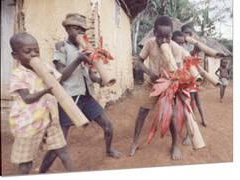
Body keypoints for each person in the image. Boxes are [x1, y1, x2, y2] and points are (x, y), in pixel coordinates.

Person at [52, 13, 121, 160]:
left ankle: (109, 149)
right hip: (69, 98)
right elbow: (60, 76)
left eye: (82, 30)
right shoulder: (61, 47)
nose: (80, 32)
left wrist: (100, 80)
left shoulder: (86, 49)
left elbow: (89, 74)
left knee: (108, 125)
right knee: (61, 139)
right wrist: (78, 59)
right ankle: (46, 166)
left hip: (86, 96)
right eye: (76, 29)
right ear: (67, 29)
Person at [9, 32, 72, 174]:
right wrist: (46, 90)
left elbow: (58, 80)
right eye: (27, 51)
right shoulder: (18, 74)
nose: (33, 54)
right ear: (15, 56)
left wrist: (51, 79)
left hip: (50, 119)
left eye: (36, 51)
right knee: (26, 163)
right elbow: (27, 98)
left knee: (63, 152)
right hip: (29, 124)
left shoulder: (45, 66)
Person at [130, 16, 188, 160]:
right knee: (142, 112)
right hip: (151, 84)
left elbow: (179, 72)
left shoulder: (176, 48)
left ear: (171, 34)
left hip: (169, 86)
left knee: (171, 116)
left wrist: (172, 82)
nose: (163, 40)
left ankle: (175, 145)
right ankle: (135, 142)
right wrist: (150, 73)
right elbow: (139, 61)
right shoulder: (149, 44)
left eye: (167, 37)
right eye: (159, 36)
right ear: (154, 33)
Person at [172, 31, 207, 128]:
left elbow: (192, 54)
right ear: (172, 42)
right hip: (179, 83)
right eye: (178, 43)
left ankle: (193, 127)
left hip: (190, 83)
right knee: (179, 106)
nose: (180, 45)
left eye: (182, 43)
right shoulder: (172, 53)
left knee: (193, 103)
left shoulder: (186, 53)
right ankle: (179, 126)